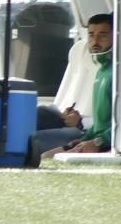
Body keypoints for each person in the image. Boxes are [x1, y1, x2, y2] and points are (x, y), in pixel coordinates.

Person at [35, 14, 114, 158]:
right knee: (39, 114)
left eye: (102, 36)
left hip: (99, 140)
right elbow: (99, 125)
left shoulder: (117, 75)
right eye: (91, 35)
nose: (95, 41)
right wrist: (81, 141)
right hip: (88, 135)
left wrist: (96, 141)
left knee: (33, 142)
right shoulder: (101, 72)